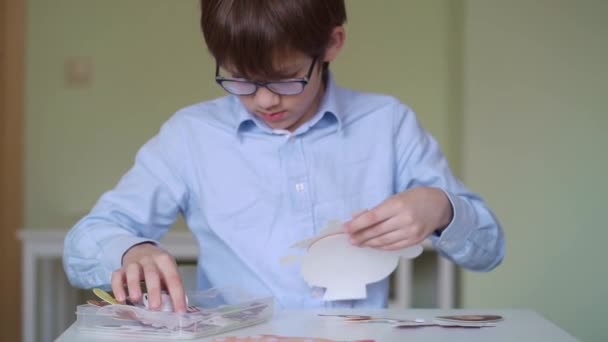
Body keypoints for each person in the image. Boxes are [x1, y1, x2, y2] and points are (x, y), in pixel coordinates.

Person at [63, 0, 504, 313]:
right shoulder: (191, 135)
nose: (263, 100)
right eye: (240, 80)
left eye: (286, 79)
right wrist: (131, 249)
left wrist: (442, 209)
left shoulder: (388, 124)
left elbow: (489, 250)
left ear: (332, 44)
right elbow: (87, 239)